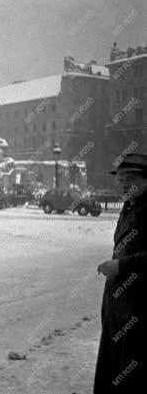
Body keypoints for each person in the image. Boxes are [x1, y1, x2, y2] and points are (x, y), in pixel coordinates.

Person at [94, 153, 147, 393]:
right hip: (121, 306)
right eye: (121, 179)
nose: (124, 184)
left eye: (131, 178)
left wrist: (121, 266)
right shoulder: (131, 205)